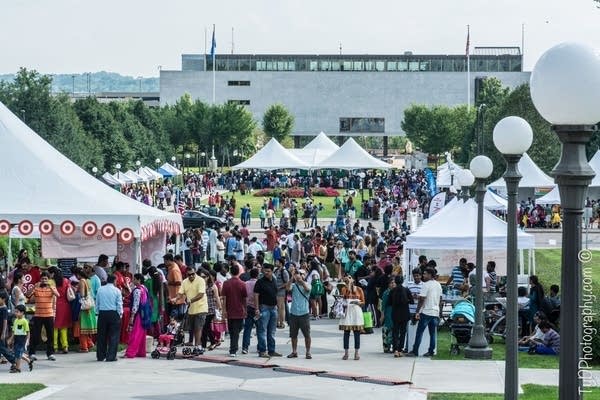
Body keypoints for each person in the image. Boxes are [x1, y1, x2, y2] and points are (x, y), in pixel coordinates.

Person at [407, 267, 442, 357]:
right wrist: (439, 312)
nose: (423, 275)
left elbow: (422, 299)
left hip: (426, 312)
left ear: (430, 275)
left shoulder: (426, 285)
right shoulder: (438, 284)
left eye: (425, 274)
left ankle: (415, 351)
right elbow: (440, 299)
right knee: (432, 333)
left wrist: (417, 311)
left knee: (419, 332)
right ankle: (431, 351)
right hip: (435, 312)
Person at [172, 266, 207, 352]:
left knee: (198, 327)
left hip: (201, 307)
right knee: (194, 328)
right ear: (186, 275)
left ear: (195, 273)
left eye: (193, 274)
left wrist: (191, 300)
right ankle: (198, 345)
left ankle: (197, 346)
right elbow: (180, 293)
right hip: (191, 309)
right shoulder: (185, 282)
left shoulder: (200, 280)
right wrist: (176, 299)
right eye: (189, 275)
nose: (191, 276)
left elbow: (201, 294)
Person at [27, 272, 58, 361]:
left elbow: (57, 295)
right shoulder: (36, 288)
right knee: (35, 335)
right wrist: (33, 287)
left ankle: (50, 354)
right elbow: (28, 295)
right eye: (42, 279)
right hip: (38, 315)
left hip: (49, 315)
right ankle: (32, 353)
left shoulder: (52, 288)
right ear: (40, 279)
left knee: (50, 335)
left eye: (45, 279)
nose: (44, 280)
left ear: (48, 280)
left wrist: (51, 287)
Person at [253, 263, 281, 358]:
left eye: (268, 271)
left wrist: (277, 306)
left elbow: (275, 293)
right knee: (262, 330)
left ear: (272, 271)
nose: (266, 273)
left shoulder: (274, 280)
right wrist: (257, 308)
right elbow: (256, 295)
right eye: (265, 271)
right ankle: (262, 351)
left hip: (273, 307)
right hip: (264, 308)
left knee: (272, 331)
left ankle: (271, 350)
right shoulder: (260, 282)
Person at [285, 265, 312, 359]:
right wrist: (292, 277)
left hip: (304, 313)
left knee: (307, 334)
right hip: (294, 313)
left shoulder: (307, 284)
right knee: (293, 334)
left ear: (304, 275)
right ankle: (294, 351)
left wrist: (301, 281)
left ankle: (308, 352)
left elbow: (307, 289)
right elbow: (287, 288)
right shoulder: (294, 285)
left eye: (301, 274)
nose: (299, 275)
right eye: (298, 274)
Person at [221, 263, 247, 357]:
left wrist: (224, 310)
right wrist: (245, 309)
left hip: (229, 310)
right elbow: (245, 298)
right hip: (239, 310)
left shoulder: (226, 283)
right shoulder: (242, 284)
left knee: (232, 331)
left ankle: (233, 348)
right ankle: (233, 349)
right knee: (236, 330)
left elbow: (224, 298)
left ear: (230, 272)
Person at [95, 274, 123, 362]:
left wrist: (97, 312)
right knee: (114, 336)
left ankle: (100, 356)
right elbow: (119, 304)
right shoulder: (117, 291)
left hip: (102, 313)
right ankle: (111, 356)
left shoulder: (100, 289)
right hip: (113, 313)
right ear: (114, 281)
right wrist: (120, 314)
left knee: (101, 336)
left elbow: (97, 302)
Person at [339, 275, 364, 360]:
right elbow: (343, 298)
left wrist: (358, 303)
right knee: (346, 333)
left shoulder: (359, 289)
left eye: (349, 278)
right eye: (346, 280)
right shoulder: (344, 289)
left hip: (356, 311)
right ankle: (346, 353)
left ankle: (356, 353)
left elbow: (363, 302)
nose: (348, 281)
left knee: (357, 333)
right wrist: (348, 286)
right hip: (347, 311)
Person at [125, 273, 150, 358]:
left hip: (138, 314)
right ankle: (140, 352)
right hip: (145, 314)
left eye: (134, 279)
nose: (133, 281)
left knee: (135, 334)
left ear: (139, 280)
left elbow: (135, 304)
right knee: (142, 334)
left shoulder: (137, 290)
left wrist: (132, 316)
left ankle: (131, 352)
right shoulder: (144, 288)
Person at [49, 267, 72, 354]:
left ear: (52, 274)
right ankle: (65, 346)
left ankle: (54, 347)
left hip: (54, 305)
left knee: (54, 327)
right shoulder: (66, 280)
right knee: (63, 327)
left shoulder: (51, 282)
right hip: (65, 305)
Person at [389, 275, 413, 358]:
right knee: (403, 332)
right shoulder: (406, 290)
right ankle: (400, 350)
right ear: (402, 281)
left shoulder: (392, 291)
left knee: (395, 332)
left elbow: (389, 303)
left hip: (395, 314)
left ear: (395, 281)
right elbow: (412, 301)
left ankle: (395, 349)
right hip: (405, 314)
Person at [0, 292, 19, 373]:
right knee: (3, 348)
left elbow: (5, 321)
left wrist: (3, 333)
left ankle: (14, 361)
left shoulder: (4, 309)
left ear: (3, 299)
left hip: (1, 332)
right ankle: (14, 361)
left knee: (2, 349)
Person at [242, 268, 259, 354]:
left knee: (247, 328)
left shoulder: (245, 283)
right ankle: (260, 347)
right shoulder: (259, 283)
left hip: (248, 307)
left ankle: (245, 347)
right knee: (259, 328)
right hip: (257, 308)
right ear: (257, 275)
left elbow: (243, 296)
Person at [273, 258, 289, 328]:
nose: (276, 262)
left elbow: (287, 282)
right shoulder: (276, 270)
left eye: (277, 261)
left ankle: (282, 322)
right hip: (276, 292)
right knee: (277, 308)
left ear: (281, 263)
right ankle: (277, 322)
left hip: (281, 292)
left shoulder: (284, 272)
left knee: (281, 307)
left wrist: (279, 287)